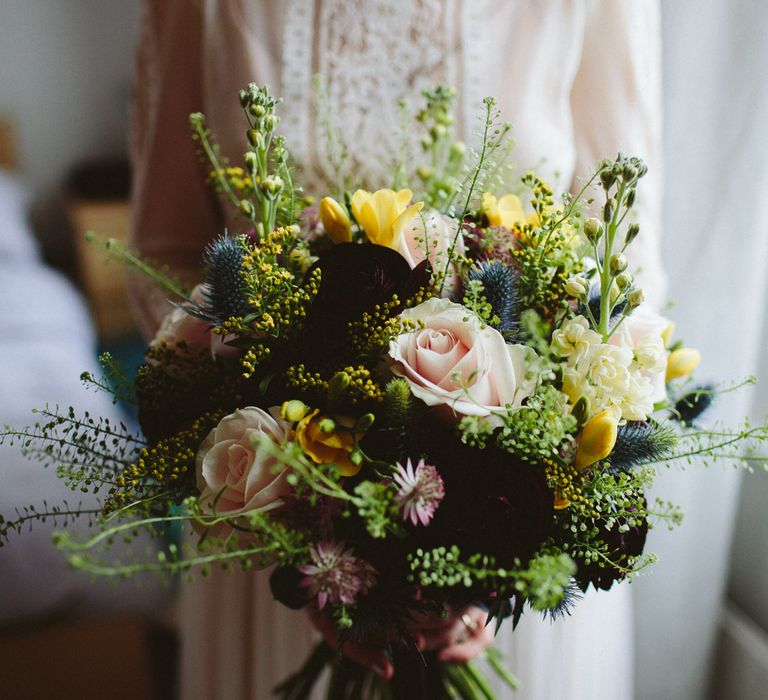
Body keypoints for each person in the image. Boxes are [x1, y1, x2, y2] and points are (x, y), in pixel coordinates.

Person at [130, 1, 665, 697]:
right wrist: (305, 532)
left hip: (515, 555)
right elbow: (162, 251)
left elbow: (627, 264)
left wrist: (490, 572)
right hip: (278, 528)